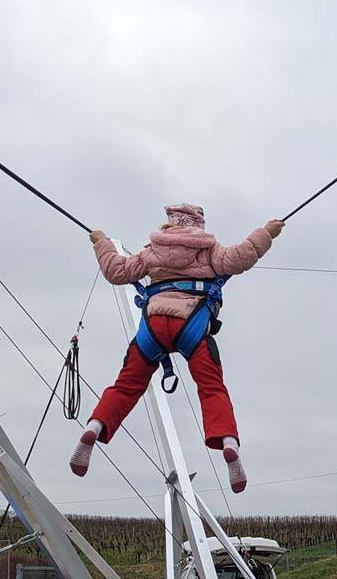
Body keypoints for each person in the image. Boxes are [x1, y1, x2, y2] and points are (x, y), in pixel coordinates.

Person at [69, 203, 283, 493]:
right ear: (198, 226)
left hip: (153, 325)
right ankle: (229, 444)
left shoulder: (152, 251)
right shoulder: (209, 250)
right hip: (191, 326)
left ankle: (93, 428)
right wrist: (267, 233)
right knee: (211, 388)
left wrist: (101, 243)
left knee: (126, 386)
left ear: (169, 225)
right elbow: (240, 258)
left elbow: (116, 271)